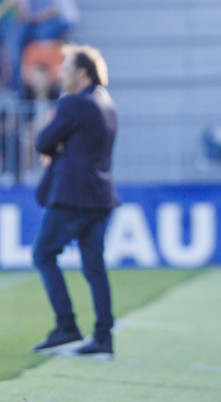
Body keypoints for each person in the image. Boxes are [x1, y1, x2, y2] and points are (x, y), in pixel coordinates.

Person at [31, 44, 119, 358]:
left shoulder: (75, 103)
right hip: (100, 195)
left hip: (73, 196)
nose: (60, 73)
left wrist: (55, 149)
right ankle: (103, 338)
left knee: (43, 254)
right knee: (94, 266)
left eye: (66, 68)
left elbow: (43, 140)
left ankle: (66, 326)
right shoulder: (106, 102)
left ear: (82, 73)